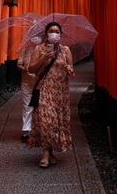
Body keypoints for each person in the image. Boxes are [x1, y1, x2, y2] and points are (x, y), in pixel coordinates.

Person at [27, 22, 75, 168]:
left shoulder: (65, 50)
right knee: (47, 121)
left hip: (60, 92)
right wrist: (43, 58)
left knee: (55, 122)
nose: (54, 33)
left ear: (60, 34)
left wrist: (69, 69)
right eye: (51, 31)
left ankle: (50, 152)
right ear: (46, 34)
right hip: (44, 90)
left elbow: (71, 69)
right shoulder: (39, 49)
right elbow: (31, 69)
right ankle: (46, 154)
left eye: (57, 31)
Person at [17, 36, 42, 142]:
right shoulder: (25, 48)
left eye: (38, 35)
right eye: (34, 35)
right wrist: (26, 69)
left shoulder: (44, 49)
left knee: (39, 106)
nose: (36, 38)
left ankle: (38, 129)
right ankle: (26, 130)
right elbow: (19, 64)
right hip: (26, 81)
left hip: (40, 82)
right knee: (27, 106)